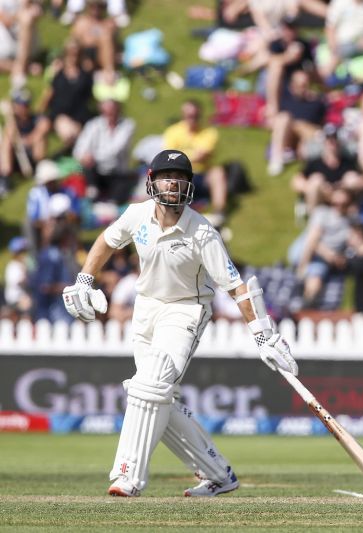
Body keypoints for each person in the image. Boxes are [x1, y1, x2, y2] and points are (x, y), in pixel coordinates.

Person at [60, 149, 298, 497]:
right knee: (155, 394)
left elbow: (236, 287)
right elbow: (106, 241)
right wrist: (84, 280)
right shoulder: (137, 214)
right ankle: (219, 475)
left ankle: (127, 475)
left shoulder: (202, 232)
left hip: (186, 309)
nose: (173, 182)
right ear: (152, 181)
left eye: (181, 176)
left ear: (189, 184)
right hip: (146, 308)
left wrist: (262, 335)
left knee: (152, 383)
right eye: (166, 176)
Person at [162, 100, 229, 227]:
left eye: (195, 116)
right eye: (189, 116)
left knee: (218, 172)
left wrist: (181, 155)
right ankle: (171, 211)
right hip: (181, 175)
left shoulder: (209, 132)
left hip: (202, 174)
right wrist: (192, 155)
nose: (192, 119)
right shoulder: (173, 132)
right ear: (183, 115)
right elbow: (169, 157)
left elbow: (202, 155)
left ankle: (219, 212)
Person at [72, 98, 136, 203]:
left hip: (118, 173)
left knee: (117, 201)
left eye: (112, 111)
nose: (109, 115)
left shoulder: (127, 126)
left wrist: (93, 157)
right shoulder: (93, 125)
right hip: (96, 171)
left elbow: (115, 150)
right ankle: (92, 192)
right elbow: (79, 149)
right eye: (106, 112)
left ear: (118, 110)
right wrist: (84, 157)